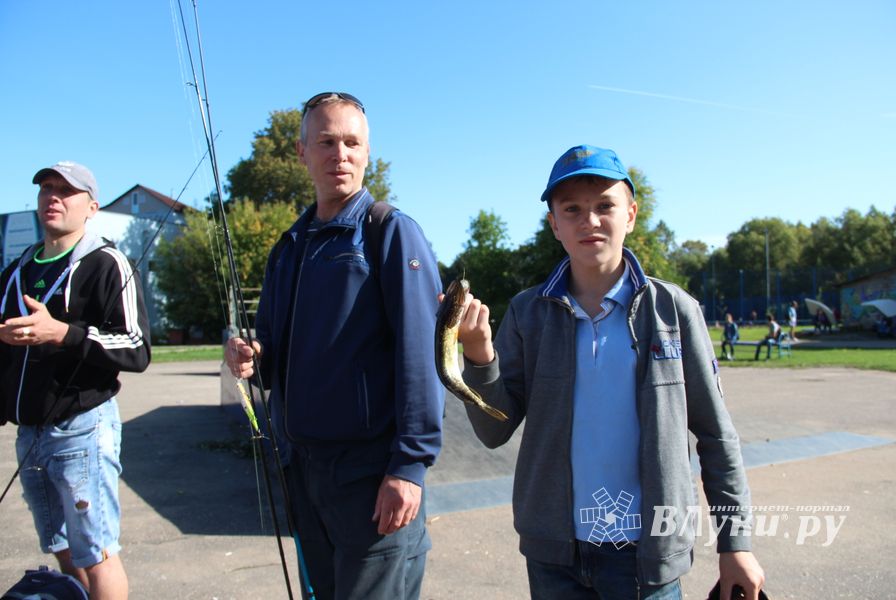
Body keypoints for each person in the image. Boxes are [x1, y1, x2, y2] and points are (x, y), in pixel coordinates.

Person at [454, 146, 764, 599]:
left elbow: (717, 437)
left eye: (605, 206)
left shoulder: (675, 311)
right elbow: (492, 431)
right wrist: (481, 357)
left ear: (631, 215)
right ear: (554, 224)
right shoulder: (527, 313)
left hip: (646, 556)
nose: (590, 220)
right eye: (572, 209)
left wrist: (736, 543)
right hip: (555, 556)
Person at [225, 92, 443, 600]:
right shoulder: (289, 248)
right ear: (301, 152)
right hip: (302, 474)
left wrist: (408, 467)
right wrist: (253, 360)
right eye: (326, 141)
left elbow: (421, 356)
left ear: (368, 153)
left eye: (352, 142)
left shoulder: (390, 233)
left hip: (371, 479)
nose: (339, 154)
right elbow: (275, 358)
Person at [0, 161, 151, 599]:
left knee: (96, 551)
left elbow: (136, 348)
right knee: (63, 548)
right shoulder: (17, 270)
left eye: (66, 191)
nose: (53, 197)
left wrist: (62, 332)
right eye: (46, 188)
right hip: (30, 432)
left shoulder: (107, 263)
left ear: (91, 207)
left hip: (81, 429)